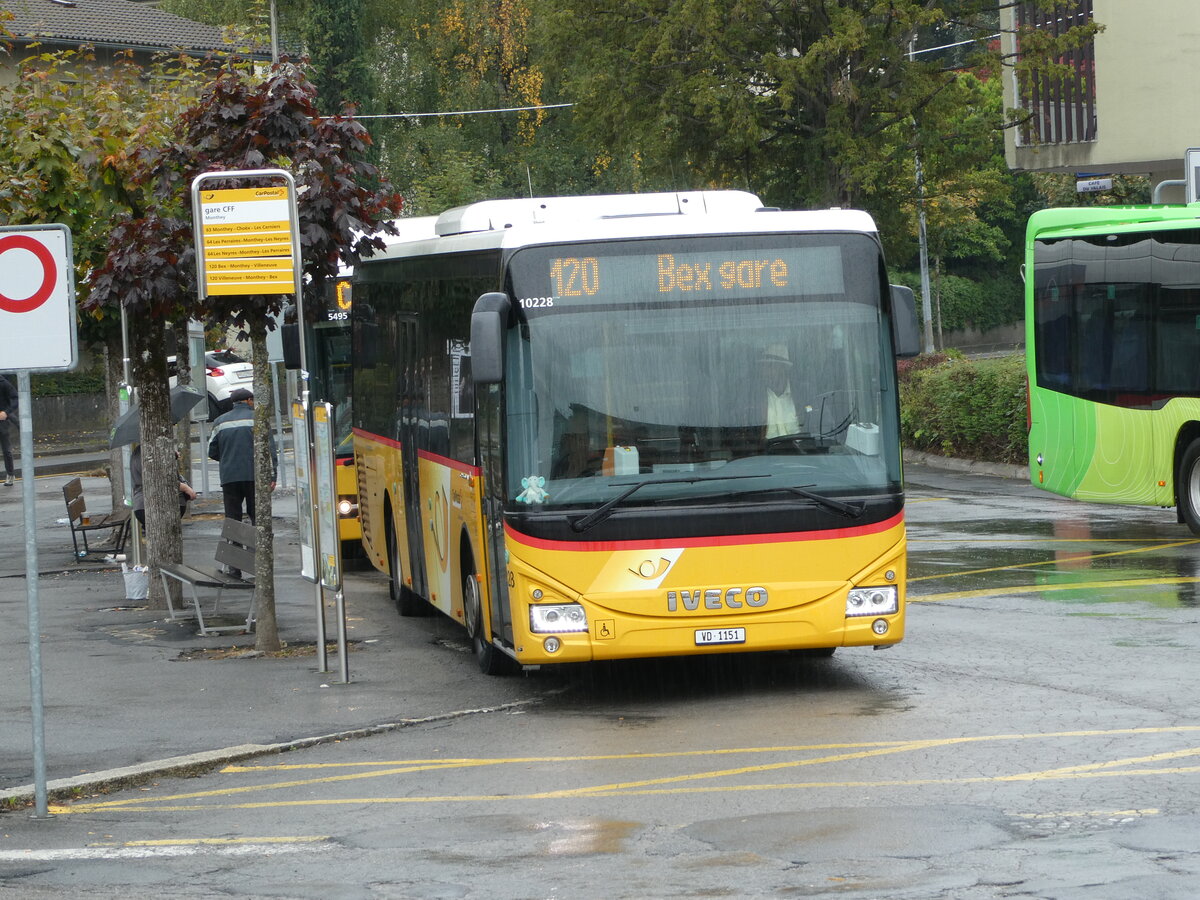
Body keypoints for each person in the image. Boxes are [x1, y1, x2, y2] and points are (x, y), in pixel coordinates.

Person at [207, 388, 276, 524]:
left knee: (232, 516)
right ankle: (256, 544)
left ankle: (234, 543)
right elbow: (269, 450)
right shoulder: (259, 419)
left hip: (229, 476)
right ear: (249, 401)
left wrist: (228, 458)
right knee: (257, 515)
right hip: (254, 475)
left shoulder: (219, 422)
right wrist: (272, 476)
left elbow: (211, 451)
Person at [129, 444, 197, 526]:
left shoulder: (138, 452)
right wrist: (185, 488)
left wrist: (169, 456)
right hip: (159, 505)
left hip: (142, 505)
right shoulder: (148, 452)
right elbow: (158, 480)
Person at [759, 344, 805, 440]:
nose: (765, 372)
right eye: (763, 367)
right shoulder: (755, 399)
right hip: (766, 453)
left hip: (802, 453)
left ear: (784, 368)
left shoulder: (804, 394)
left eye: (771, 366)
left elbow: (824, 427)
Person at [0, 374, 16, 487]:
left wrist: (6, 412)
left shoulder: (4, 383)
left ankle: (10, 474)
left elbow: (15, 399)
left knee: (6, 450)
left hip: (2, 421)